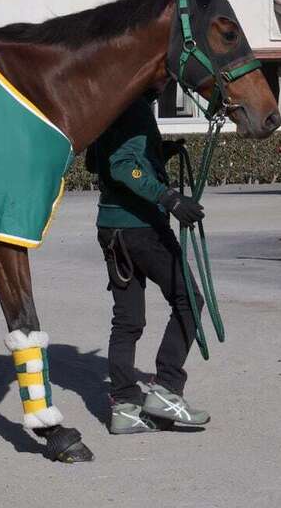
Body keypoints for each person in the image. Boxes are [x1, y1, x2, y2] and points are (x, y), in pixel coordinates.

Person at [88, 93, 210, 434]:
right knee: (189, 301)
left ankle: (125, 406)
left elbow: (95, 161)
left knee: (128, 320)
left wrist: (156, 154)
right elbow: (121, 166)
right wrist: (168, 197)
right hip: (142, 228)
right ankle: (167, 390)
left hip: (111, 226)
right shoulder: (135, 106)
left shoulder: (109, 103)